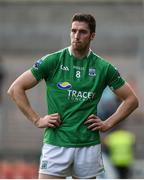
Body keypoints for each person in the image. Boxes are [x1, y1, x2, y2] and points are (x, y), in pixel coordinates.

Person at [7, 13, 139, 179]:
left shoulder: (104, 68)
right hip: (56, 144)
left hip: (88, 146)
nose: (76, 36)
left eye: (82, 32)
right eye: (73, 30)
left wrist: (108, 123)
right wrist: (37, 119)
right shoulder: (53, 61)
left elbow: (132, 100)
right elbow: (15, 89)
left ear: (92, 36)